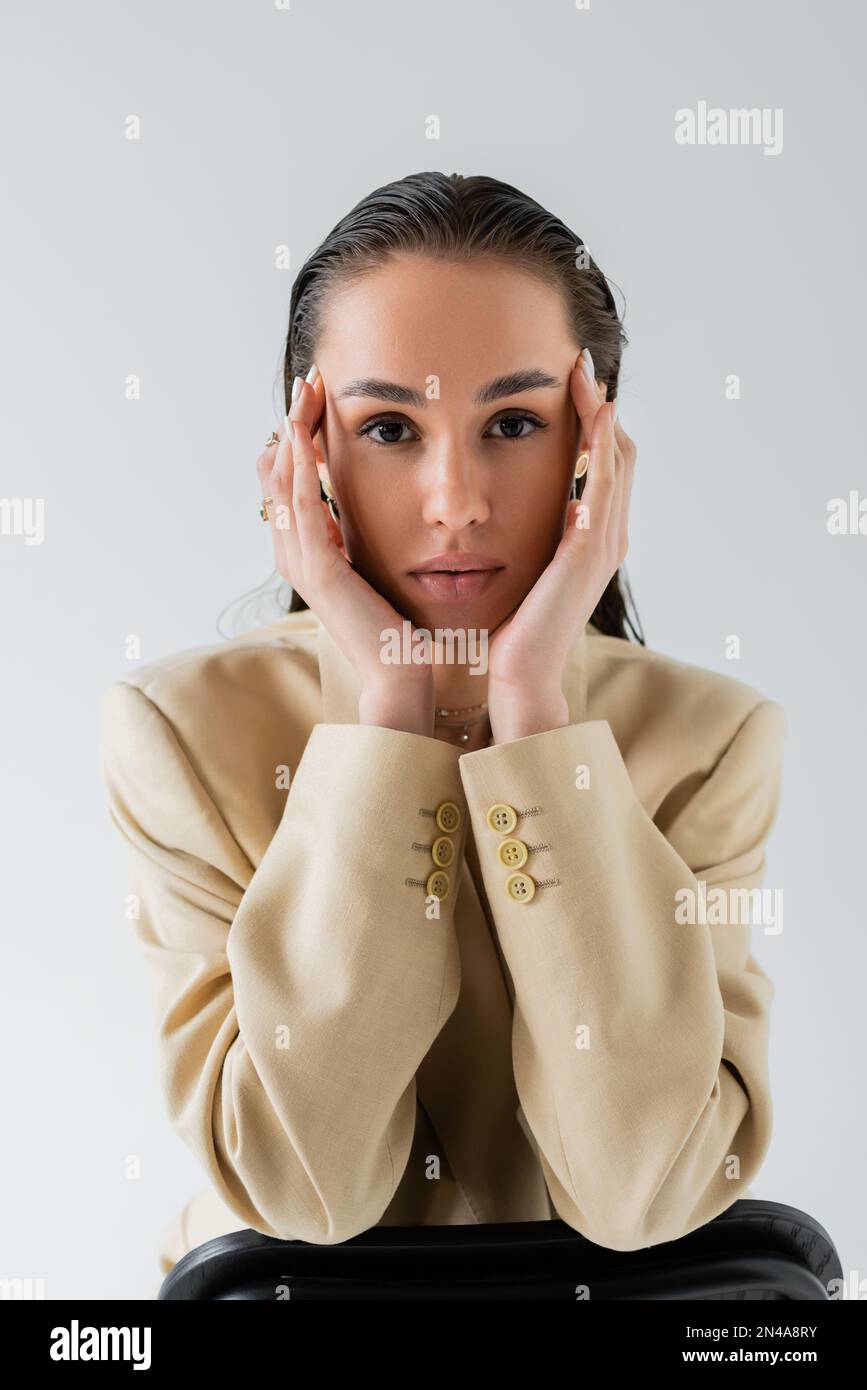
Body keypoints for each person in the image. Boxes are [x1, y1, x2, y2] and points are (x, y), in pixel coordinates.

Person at [98, 171, 786, 1288]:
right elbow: (302, 1187)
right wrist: (391, 717)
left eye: (513, 422)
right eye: (387, 427)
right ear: (309, 456)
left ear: (591, 448)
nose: (456, 497)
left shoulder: (711, 741)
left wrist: (532, 721)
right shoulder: (180, 734)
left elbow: (644, 1192)